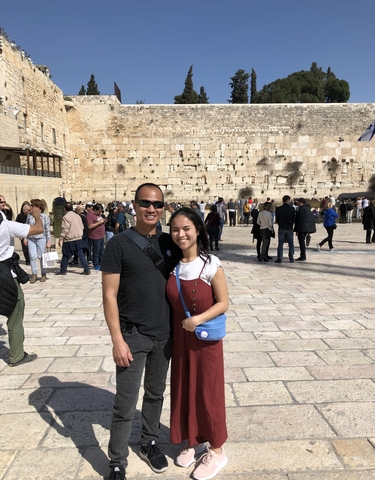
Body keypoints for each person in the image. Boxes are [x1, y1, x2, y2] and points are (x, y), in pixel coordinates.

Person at [101, 183, 178, 480]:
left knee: (156, 394)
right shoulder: (118, 244)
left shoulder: (170, 243)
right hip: (133, 335)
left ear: (163, 208)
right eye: (145, 203)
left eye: (157, 204)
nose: (151, 209)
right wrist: (117, 340)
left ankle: (148, 442)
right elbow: (109, 295)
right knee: (125, 402)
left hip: (165, 335)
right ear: (134, 205)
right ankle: (117, 461)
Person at [167, 207, 228, 480]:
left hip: (204, 341)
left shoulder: (211, 264)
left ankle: (217, 450)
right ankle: (191, 439)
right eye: (175, 229)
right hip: (180, 340)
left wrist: (198, 319)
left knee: (207, 392)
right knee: (184, 388)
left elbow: (224, 302)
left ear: (198, 230)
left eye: (186, 229)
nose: (181, 234)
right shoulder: (172, 265)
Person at [0, 194, 42, 367]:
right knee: (15, 312)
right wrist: (37, 214)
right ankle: (17, 356)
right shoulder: (6, 226)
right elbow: (38, 229)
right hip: (4, 274)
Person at [56, 202, 91, 276]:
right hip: (78, 238)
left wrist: (61, 238)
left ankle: (63, 270)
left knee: (65, 255)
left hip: (69, 239)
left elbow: (65, 229)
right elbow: (82, 226)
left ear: (65, 209)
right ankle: (86, 269)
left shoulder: (65, 217)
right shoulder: (78, 216)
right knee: (81, 254)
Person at [25, 198, 51, 283]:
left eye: (33, 205)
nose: (31, 207)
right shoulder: (29, 215)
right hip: (31, 238)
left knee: (42, 256)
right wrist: (25, 237)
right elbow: (27, 226)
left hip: (41, 238)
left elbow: (47, 229)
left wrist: (48, 241)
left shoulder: (44, 216)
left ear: (38, 207)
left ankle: (43, 273)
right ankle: (34, 274)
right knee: (32, 256)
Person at [275, 195, 295, 263]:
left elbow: (277, 219)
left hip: (281, 227)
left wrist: (280, 224)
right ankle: (291, 258)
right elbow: (293, 219)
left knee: (280, 243)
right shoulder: (292, 209)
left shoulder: (278, 209)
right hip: (289, 228)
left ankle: (280, 258)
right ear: (288, 200)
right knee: (291, 243)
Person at [87, 203, 106, 271]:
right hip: (95, 236)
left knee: (102, 251)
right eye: (99, 211)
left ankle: (101, 263)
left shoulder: (98, 215)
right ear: (95, 210)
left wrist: (103, 221)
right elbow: (90, 226)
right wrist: (99, 222)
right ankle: (96, 264)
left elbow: (100, 221)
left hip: (101, 236)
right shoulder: (90, 215)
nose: (100, 213)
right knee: (96, 251)